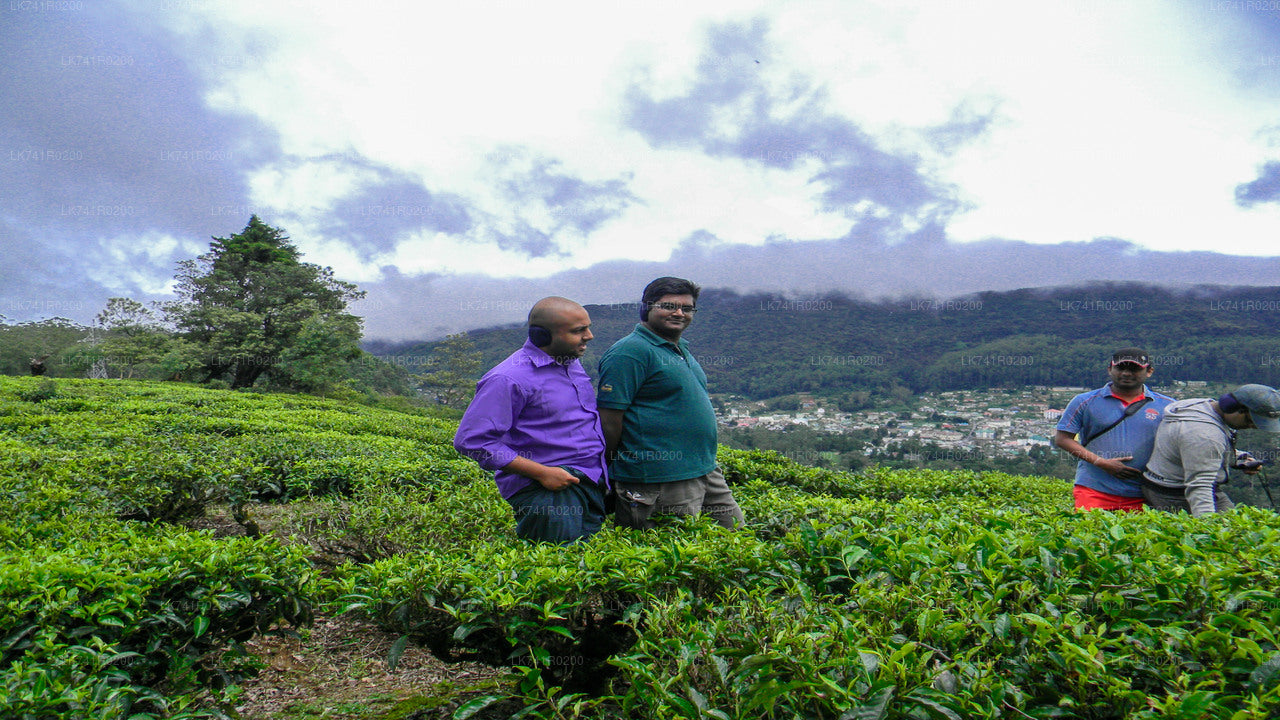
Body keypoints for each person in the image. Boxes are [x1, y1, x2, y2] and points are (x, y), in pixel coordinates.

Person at [453, 297, 608, 543]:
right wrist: (543, 473)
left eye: (587, 327)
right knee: (558, 570)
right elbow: (470, 440)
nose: (589, 336)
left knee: (586, 569)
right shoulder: (508, 378)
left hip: (589, 480)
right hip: (550, 491)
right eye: (578, 331)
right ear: (542, 336)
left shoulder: (570, 363)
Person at [596, 277, 744, 530]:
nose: (679, 313)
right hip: (658, 479)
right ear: (647, 307)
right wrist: (607, 471)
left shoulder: (678, 348)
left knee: (737, 540)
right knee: (670, 555)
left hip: (705, 470)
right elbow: (609, 420)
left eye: (687, 308)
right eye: (669, 306)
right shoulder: (630, 352)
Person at [1054, 348, 1174, 511]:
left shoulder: (1167, 406)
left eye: (1134, 369)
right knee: (1090, 533)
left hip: (1145, 493)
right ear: (1110, 369)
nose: (1126, 373)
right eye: (1120, 368)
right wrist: (1102, 463)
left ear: (1149, 371)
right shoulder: (1085, 401)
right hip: (1094, 490)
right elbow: (1062, 439)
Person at [1142, 383, 1280, 516]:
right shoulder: (1204, 435)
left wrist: (1238, 458)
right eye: (1250, 421)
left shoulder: (1200, 406)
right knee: (1229, 531)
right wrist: (1209, 530)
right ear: (1236, 409)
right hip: (1176, 495)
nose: (1252, 426)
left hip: (1163, 484)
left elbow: (1195, 451)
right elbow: (1200, 487)